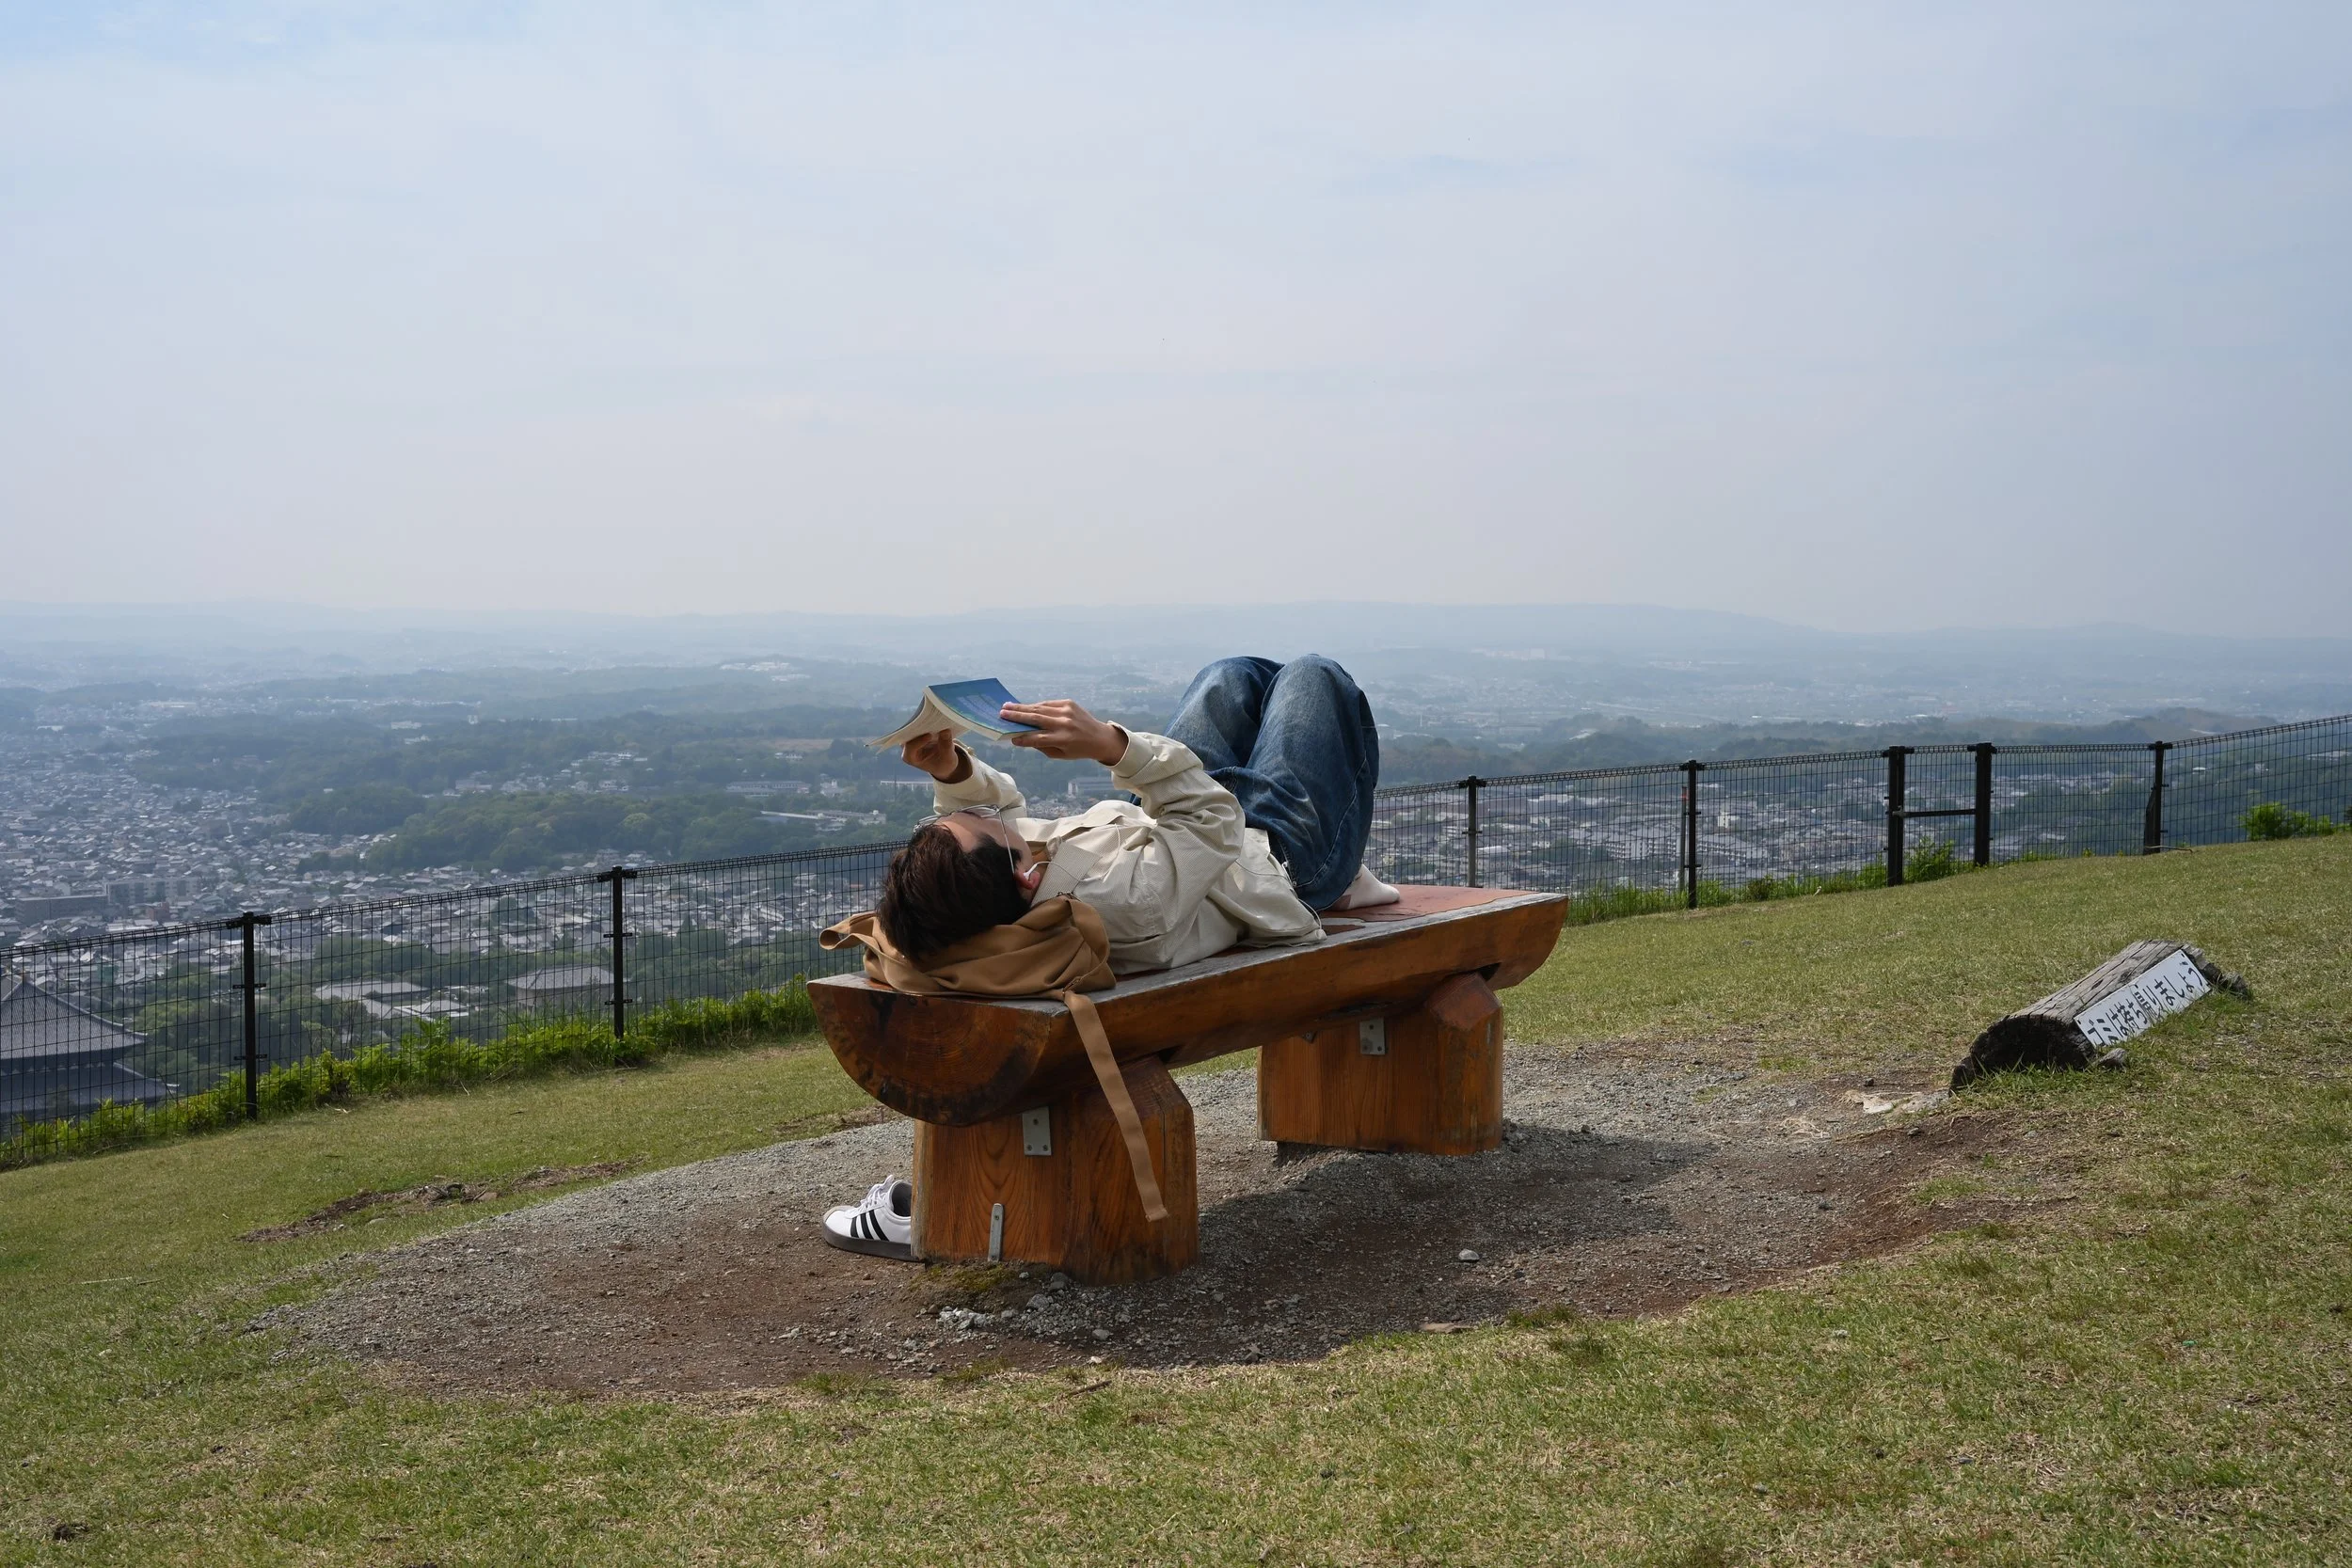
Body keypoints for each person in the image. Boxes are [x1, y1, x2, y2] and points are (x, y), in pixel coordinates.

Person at [821, 654, 1400, 1259]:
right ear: (1026, 874)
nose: (983, 813)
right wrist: (1113, 746)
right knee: (1312, 677)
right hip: (1267, 853)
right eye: (980, 822)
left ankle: (1234, 755)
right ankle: (1345, 873)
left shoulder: (991, 910)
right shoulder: (1125, 902)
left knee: (1233, 677)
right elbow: (1217, 818)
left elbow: (1001, 825)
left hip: (1179, 836)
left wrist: (952, 771)